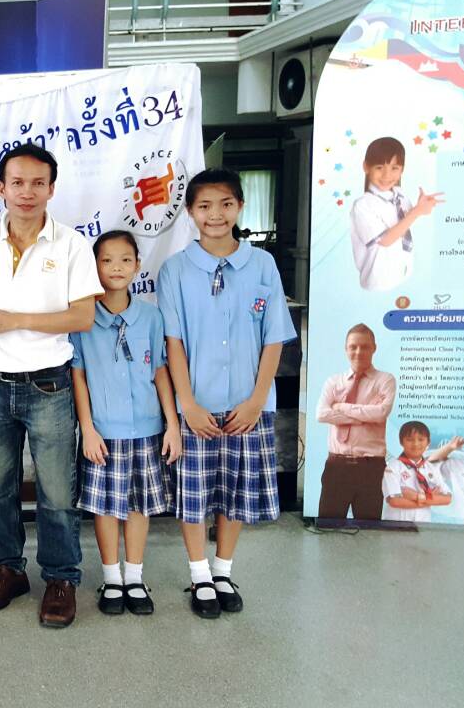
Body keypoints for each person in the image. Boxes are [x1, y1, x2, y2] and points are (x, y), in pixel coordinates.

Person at [0, 143, 102, 628]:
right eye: (17, 182)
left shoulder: (72, 245)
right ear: (1, 187)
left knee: (57, 493)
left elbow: (82, 316)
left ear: (52, 189)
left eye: (37, 183)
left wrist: (10, 319)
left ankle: (61, 579)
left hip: (49, 387)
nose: (27, 192)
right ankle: (6, 571)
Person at [156, 167, 297, 620]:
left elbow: (274, 337)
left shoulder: (262, 265)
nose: (215, 214)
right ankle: (199, 575)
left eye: (225, 204)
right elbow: (173, 342)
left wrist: (256, 400)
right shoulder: (175, 270)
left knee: (236, 491)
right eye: (204, 206)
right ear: (190, 212)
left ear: (240, 207)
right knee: (194, 494)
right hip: (196, 405)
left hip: (247, 406)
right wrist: (187, 405)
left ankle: (222, 571)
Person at [69, 230, 180, 617]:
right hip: (104, 432)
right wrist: (88, 428)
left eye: (125, 260)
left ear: (137, 265)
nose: (116, 267)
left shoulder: (151, 316)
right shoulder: (83, 319)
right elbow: (78, 375)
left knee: (139, 506)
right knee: (105, 508)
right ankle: (111, 578)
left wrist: (172, 424)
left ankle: (134, 577)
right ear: (94, 267)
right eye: (107, 260)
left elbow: (161, 371)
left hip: (147, 429)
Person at [315, 324, 396, 521]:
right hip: (337, 466)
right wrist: (364, 416)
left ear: (374, 348)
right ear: (346, 349)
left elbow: (381, 413)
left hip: (370, 467)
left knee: (369, 529)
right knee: (329, 526)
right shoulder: (333, 382)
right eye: (353, 347)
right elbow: (321, 414)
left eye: (365, 347)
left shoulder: (385, 380)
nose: (358, 352)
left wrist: (340, 407)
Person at [349, 136, 443, 291]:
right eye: (379, 167)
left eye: (394, 168)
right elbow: (385, 240)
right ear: (366, 167)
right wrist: (417, 212)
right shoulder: (362, 205)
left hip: (402, 274)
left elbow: (405, 224)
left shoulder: (400, 194)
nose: (387, 175)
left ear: (402, 169)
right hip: (378, 280)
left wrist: (422, 206)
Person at [381, 421, 450, 523]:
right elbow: (394, 501)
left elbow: (447, 498)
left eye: (421, 439)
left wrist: (417, 496)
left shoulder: (431, 468)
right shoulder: (393, 467)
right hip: (397, 525)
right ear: (401, 442)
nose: (416, 444)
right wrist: (430, 499)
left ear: (428, 442)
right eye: (410, 439)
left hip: (423, 525)